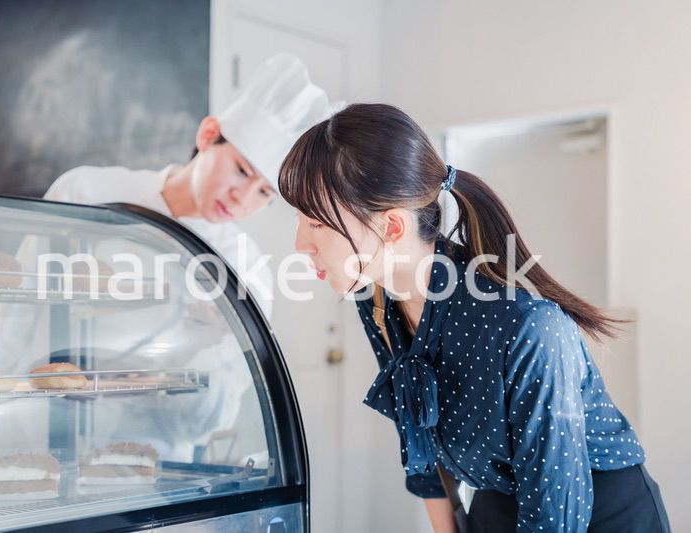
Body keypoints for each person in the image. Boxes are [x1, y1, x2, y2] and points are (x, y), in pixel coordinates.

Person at [279, 103, 671, 532]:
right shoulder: (374, 301)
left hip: (600, 514)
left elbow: (556, 506)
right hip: (496, 503)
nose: (301, 244)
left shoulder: (527, 326)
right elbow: (418, 440)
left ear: (391, 228)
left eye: (316, 223)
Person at [0, 54, 334, 470]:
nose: (243, 197)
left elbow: (205, 420)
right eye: (241, 171)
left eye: (264, 194)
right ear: (208, 135)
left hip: (147, 464)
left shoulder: (247, 270)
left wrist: (211, 348)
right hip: (31, 433)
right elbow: (18, 312)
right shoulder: (88, 190)